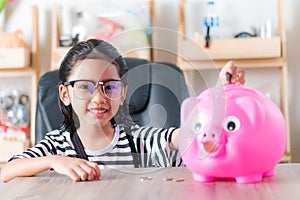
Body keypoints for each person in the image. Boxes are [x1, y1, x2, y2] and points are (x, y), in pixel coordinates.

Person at [0, 39, 245, 182]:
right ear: (65, 94)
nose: (99, 98)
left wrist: (218, 94)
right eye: (85, 87)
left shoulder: (139, 140)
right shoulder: (56, 146)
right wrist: (53, 161)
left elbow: (190, 135)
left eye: (110, 87)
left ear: (123, 93)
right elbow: (6, 171)